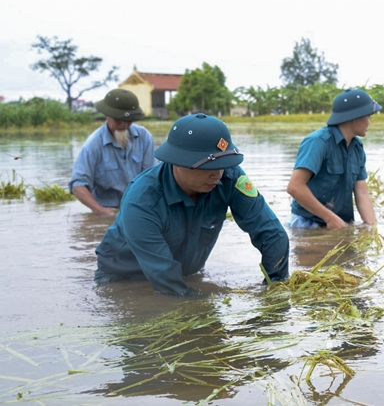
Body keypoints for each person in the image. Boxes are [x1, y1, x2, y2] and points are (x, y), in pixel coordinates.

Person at [94, 113, 289, 296]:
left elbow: (272, 234)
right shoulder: (142, 200)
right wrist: (205, 303)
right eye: (208, 167)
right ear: (177, 162)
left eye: (222, 165)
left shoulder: (230, 176)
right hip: (124, 278)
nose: (218, 174)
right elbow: (166, 281)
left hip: (183, 272)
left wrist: (275, 288)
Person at [286, 88, 381, 229]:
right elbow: (295, 187)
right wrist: (330, 219)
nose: (369, 123)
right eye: (368, 117)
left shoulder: (357, 147)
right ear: (355, 118)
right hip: (308, 225)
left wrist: (372, 228)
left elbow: (361, 191)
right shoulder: (318, 142)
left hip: (339, 224)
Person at [70, 88, 156, 215]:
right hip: (110, 209)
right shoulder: (93, 145)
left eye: (128, 121)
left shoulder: (144, 137)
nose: (124, 125)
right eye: (118, 120)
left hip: (139, 207)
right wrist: (100, 210)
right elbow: (78, 186)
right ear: (106, 115)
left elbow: (152, 178)